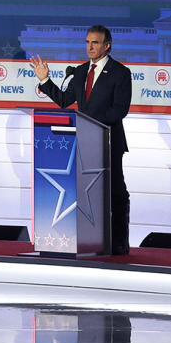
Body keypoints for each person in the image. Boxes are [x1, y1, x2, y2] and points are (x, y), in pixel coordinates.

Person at [30, 25, 133, 255]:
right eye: (87, 42)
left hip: (109, 141)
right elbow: (65, 101)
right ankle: (90, 238)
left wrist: (90, 123)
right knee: (87, 190)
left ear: (107, 45)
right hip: (83, 141)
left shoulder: (120, 73)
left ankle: (119, 242)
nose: (90, 47)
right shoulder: (79, 72)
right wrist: (45, 80)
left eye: (95, 43)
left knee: (115, 189)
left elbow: (119, 110)